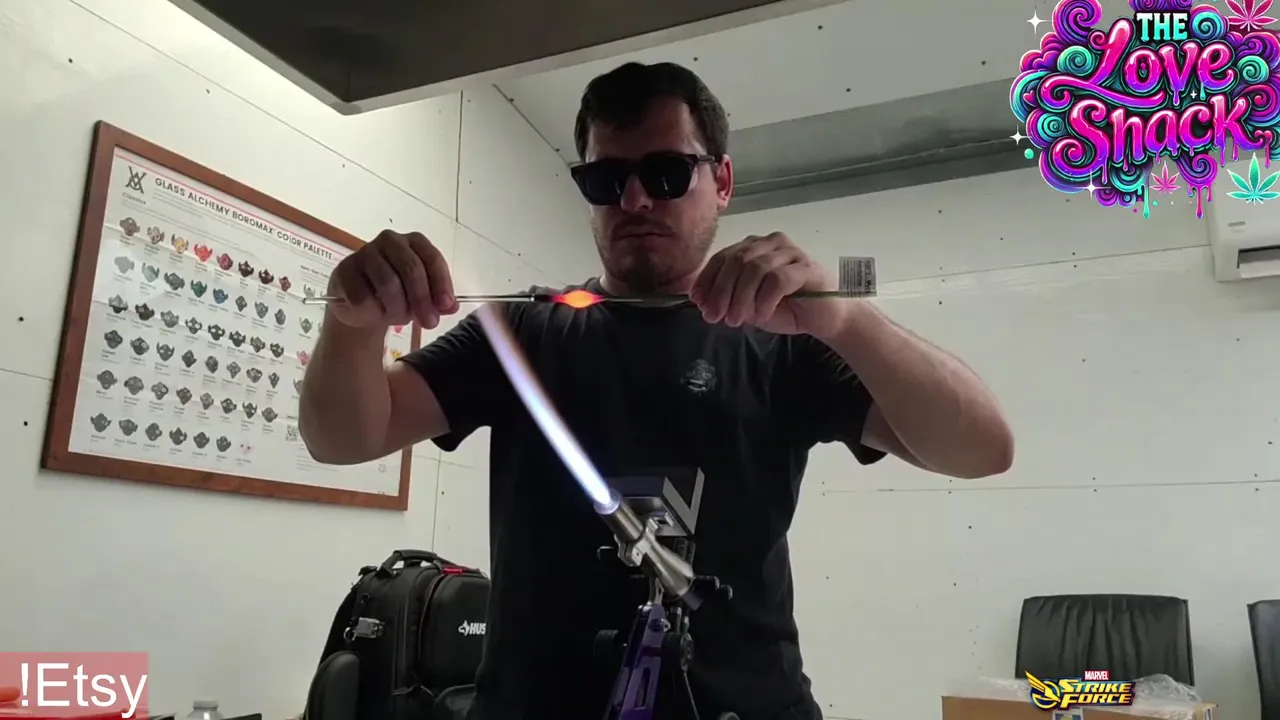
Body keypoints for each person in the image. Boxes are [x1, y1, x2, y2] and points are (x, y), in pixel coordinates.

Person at [299, 61, 1014, 720]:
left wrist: (849, 319)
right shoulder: (523, 331)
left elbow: (983, 449)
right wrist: (353, 327)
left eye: (667, 172)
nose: (634, 199)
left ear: (723, 181)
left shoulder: (785, 344)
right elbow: (344, 438)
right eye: (605, 179)